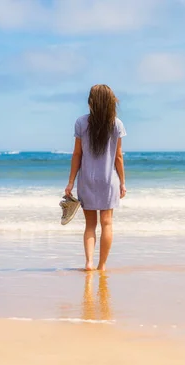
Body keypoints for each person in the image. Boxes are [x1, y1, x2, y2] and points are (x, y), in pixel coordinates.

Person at [65, 84, 127, 271]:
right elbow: (118, 156)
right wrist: (123, 183)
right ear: (111, 101)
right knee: (107, 223)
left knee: (90, 225)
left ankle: (89, 263)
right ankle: (102, 265)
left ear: (91, 101)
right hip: (109, 181)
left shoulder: (81, 123)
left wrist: (70, 182)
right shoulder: (116, 123)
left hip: (87, 180)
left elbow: (77, 154)